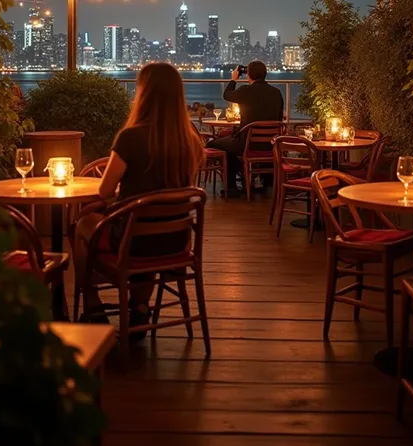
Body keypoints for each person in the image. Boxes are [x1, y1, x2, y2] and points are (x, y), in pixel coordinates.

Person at [74, 62, 205, 326]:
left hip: (133, 243)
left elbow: (104, 190)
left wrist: (124, 194)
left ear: (143, 94)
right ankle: (140, 306)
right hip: (177, 241)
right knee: (144, 226)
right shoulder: (190, 139)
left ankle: (93, 304)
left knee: (83, 225)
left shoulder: (130, 138)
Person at [208, 61, 284, 196]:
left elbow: (227, 95)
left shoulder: (245, 91)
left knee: (214, 144)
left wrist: (233, 79)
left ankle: (231, 187)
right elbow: (279, 119)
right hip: (269, 144)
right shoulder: (276, 93)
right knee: (229, 144)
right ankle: (252, 178)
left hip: (246, 143)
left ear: (248, 74)